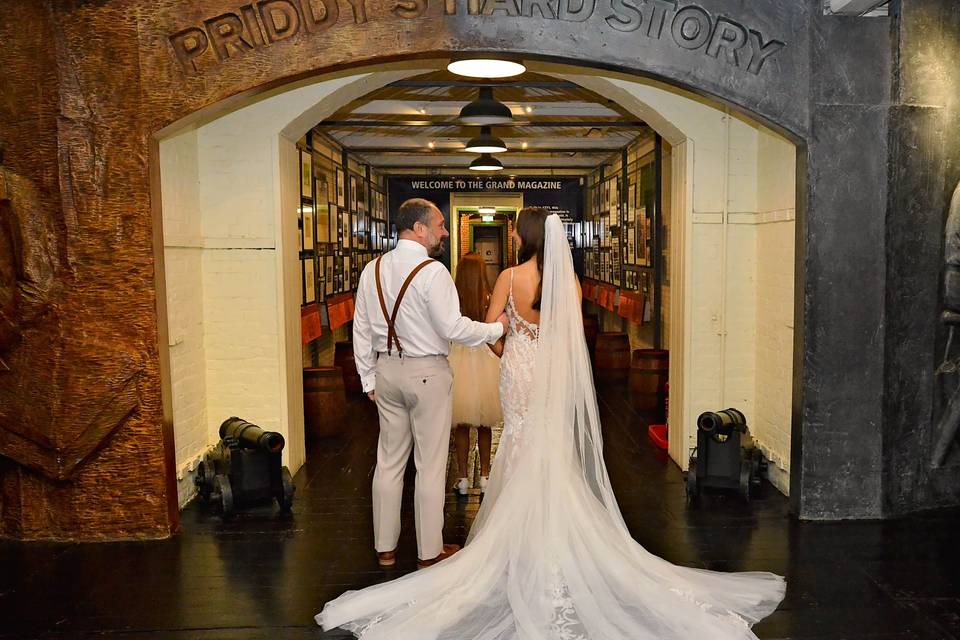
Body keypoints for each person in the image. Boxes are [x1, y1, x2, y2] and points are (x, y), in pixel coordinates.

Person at [319, 208, 785, 639]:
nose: (515, 234)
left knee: (501, 441)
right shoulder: (570, 283)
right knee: (551, 442)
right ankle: (557, 530)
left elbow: (487, 330)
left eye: (519, 229)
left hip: (507, 370)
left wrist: (509, 345)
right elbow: (571, 337)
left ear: (526, 236)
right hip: (550, 372)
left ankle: (410, 547)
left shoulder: (505, 276)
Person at [351, 198, 509, 570]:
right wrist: (498, 328)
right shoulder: (433, 273)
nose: (445, 231)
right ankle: (428, 552)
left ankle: (385, 549)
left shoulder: (371, 270)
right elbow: (452, 328)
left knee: (388, 462)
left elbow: (360, 330)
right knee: (430, 465)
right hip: (427, 374)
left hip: (386, 372)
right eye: (439, 225)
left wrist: (367, 379)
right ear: (418, 229)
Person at [449, 252, 502, 495]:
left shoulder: (452, 300)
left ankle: (461, 478)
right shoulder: (488, 298)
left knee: (460, 425)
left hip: (458, 360)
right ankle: (485, 476)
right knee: (484, 423)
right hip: (484, 361)